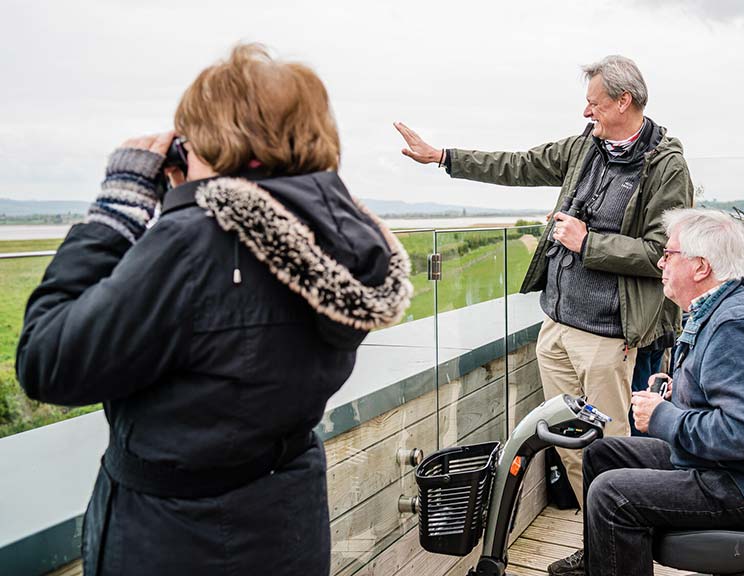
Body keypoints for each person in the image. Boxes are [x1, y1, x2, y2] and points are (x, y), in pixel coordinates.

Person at [16, 44, 411, 575]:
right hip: (285, 518)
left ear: (212, 138)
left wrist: (118, 209)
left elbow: (47, 361)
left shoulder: (195, 243)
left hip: (182, 538)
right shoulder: (335, 234)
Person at [395, 55, 692, 506]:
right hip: (556, 328)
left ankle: (621, 548)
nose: (586, 112)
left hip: (607, 338)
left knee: (610, 451)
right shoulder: (584, 146)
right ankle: (597, 544)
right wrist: (443, 157)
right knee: (569, 448)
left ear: (622, 101)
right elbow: (520, 165)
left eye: (593, 103)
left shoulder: (666, 167)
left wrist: (587, 242)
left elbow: (660, 253)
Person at [548, 208, 744, 576]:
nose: (660, 262)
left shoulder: (734, 327)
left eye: (669, 254)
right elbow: (732, 394)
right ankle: (601, 561)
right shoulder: (730, 307)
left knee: (613, 494)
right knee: (604, 453)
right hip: (743, 469)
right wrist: (683, 393)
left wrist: (662, 416)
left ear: (701, 267)